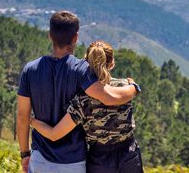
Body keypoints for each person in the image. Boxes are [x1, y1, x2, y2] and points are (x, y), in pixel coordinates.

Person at [17, 11, 139, 173]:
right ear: (75, 38)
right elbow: (109, 97)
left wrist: (25, 153)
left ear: (50, 35)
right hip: (73, 160)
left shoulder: (30, 70)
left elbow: (22, 117)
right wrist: (133, 88)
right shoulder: (82, 70)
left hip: (40, 157)